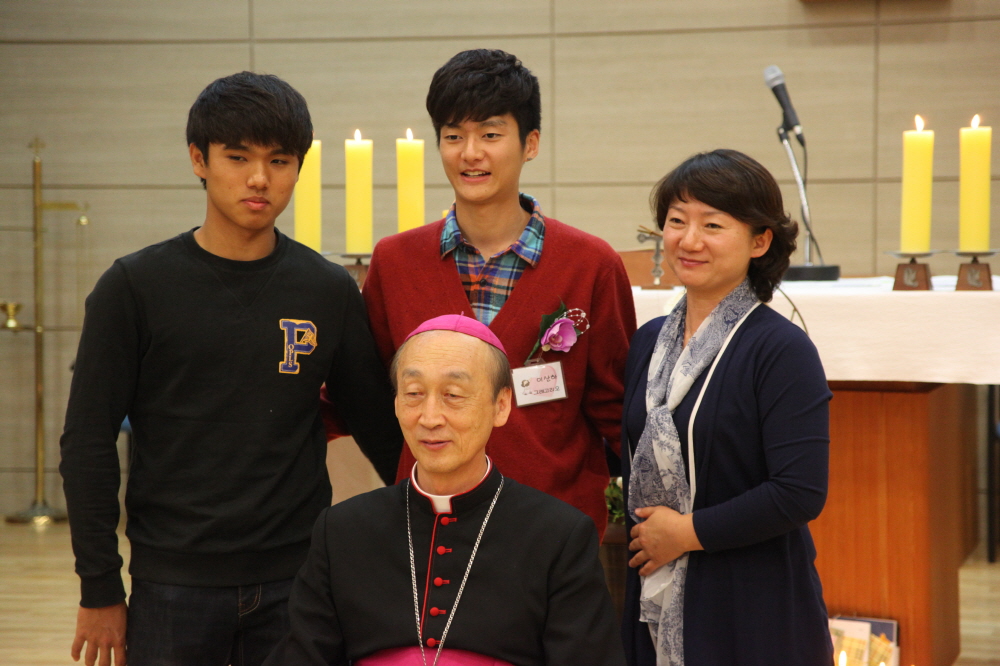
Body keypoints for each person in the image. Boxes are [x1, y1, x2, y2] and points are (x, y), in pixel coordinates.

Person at [59, 71, 402, 666]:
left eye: (279, 160)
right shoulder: (134, 287)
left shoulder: (326, 290)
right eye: (238, 157)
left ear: (299, 168)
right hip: (173, 583)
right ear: (199, 158)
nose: (259, 178)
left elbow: (379, 426)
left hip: (298, 578)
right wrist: (99, 586)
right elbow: (87, 441)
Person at [354, 48, 636, 539]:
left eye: (490, 134)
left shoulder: (591, 265)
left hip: (553, 531)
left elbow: (618, 413)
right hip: (428, 527)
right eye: (453, 136)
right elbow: (376, 401)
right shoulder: (395, 262)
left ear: (530, 143)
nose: (470, 153)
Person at [266, 314, 626, 666]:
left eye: (453, 395)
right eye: (413, 393)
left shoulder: (559, 535)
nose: (430, 417)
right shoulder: (342, 530)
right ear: (396, 403)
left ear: (501, 405)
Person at [621, 150, 833, 665]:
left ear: (760, 241)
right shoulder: (649, 341)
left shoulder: (780, 348)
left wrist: (684, 534)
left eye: (712, 225)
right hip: (654, 586)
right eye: (677, 221)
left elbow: (799, 491)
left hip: (751, 597)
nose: (688, 240)